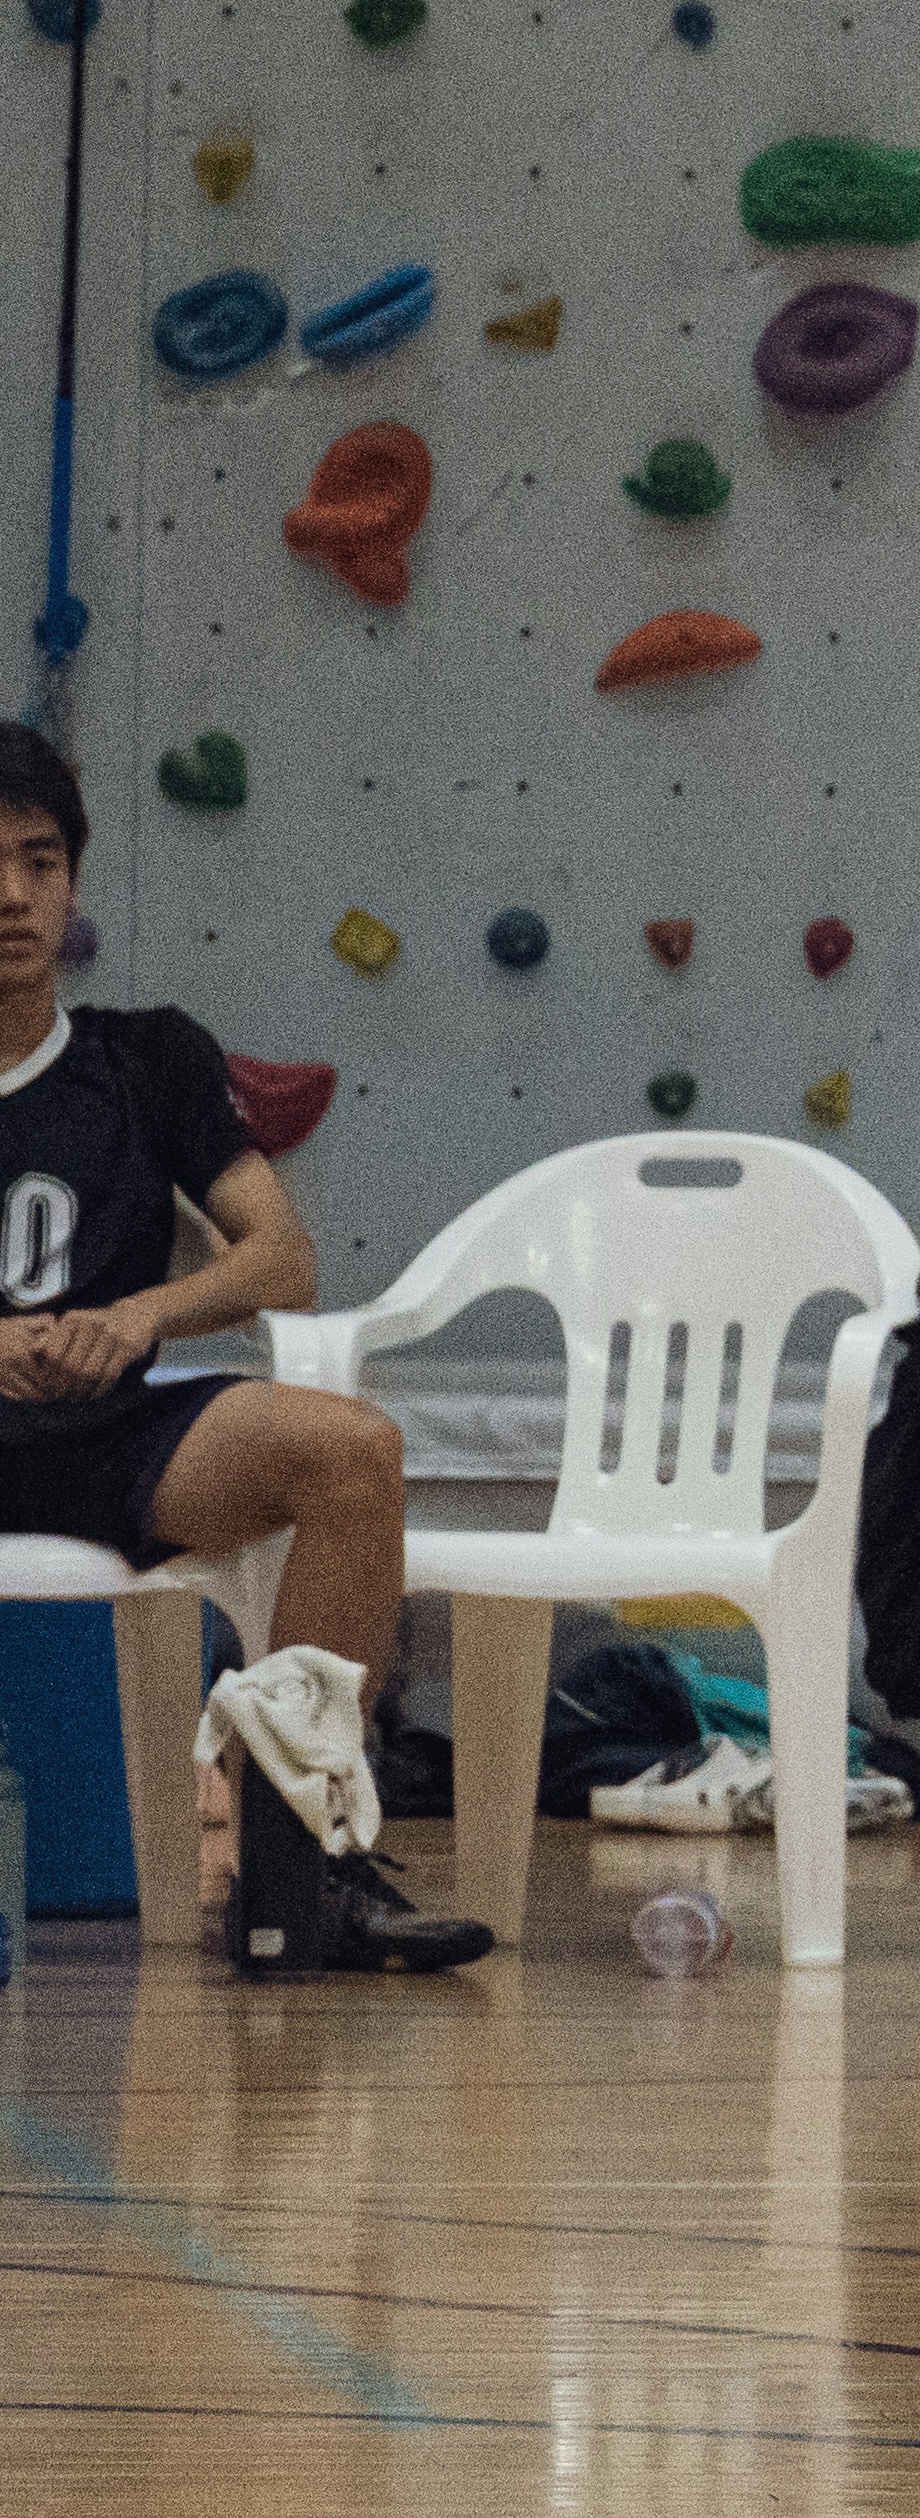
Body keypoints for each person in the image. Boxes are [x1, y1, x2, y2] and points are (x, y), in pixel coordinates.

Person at [0, 725, 485, 1974]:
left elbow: (282, 1257)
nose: (10, 895)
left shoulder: (145, 1054)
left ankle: (297, 1874)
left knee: (346, 1452)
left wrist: (137, 1318)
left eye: (39, 861)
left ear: (74, 881)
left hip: (110, 1429)